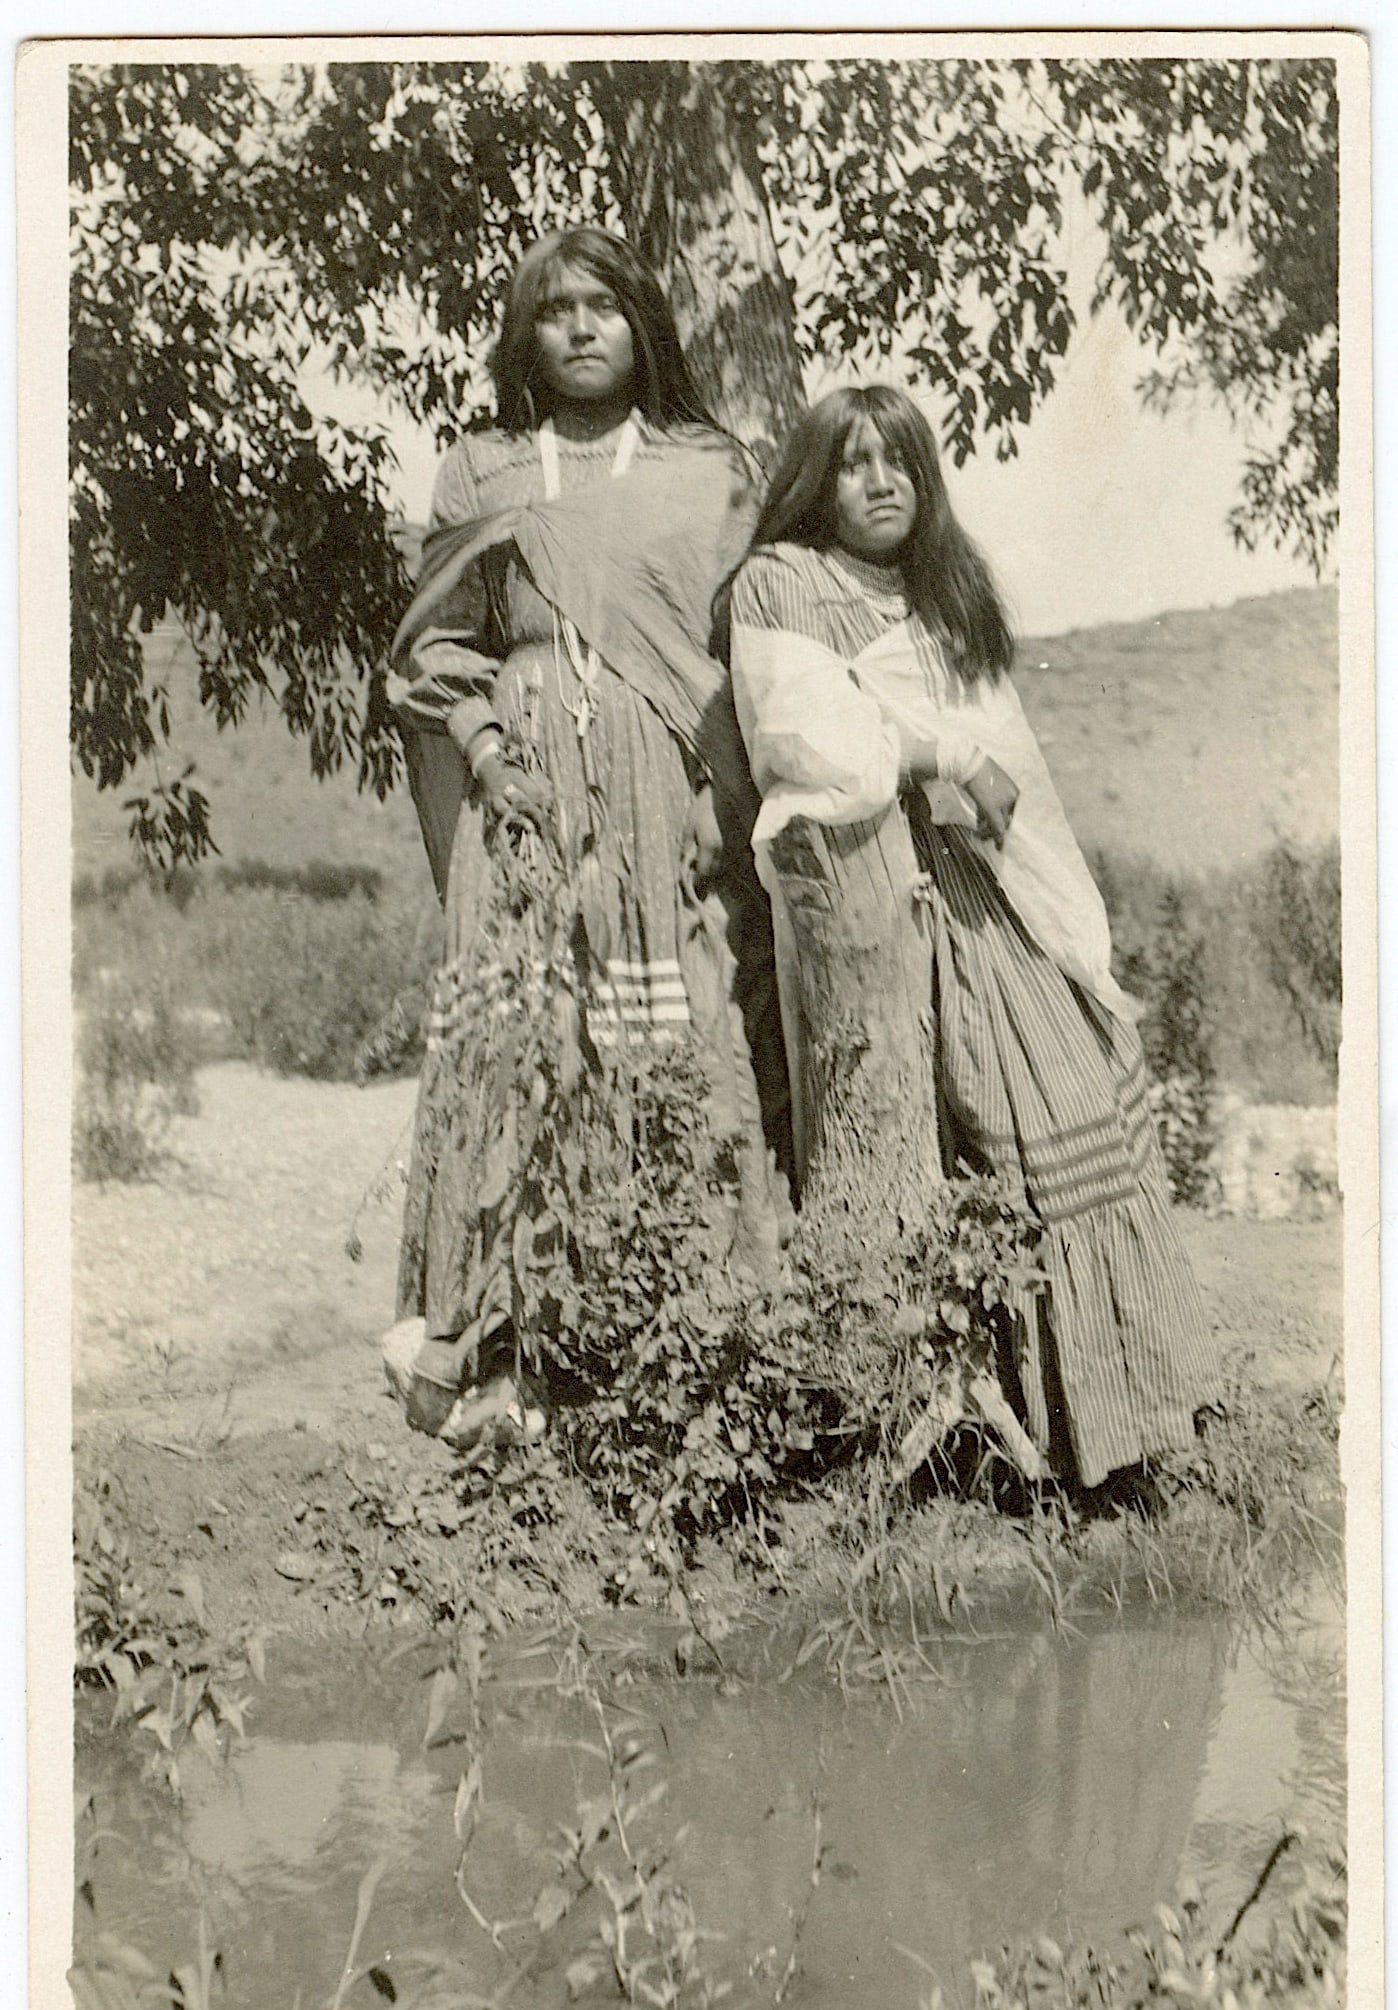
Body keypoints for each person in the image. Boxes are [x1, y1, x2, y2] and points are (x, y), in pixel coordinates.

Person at [727, 385, 1219, 1497]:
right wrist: (941, 754)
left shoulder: (946, 589)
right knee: (986, 1121)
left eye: (899, 459)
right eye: (851, 463)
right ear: (815, 482)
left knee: (1066, 1101)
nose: (880, 482)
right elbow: (807, 739)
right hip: (877, 890)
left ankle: (1122, 1420)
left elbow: (1012, 775)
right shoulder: (783, 586)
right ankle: (1005, 1432)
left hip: (972, 881)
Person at [384, 227, 789, 1440]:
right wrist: (491, 755)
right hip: (526, 795)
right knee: (522, 1044)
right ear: (526, 334)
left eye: (602, 305)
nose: (577, 327)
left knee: (658, 1036)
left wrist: (723, 800)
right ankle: (504, 1353)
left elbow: (748, 649)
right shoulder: (483, 471)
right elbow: (432, 648)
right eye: (552, 308)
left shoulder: (712, 467)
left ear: (643, 323)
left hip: (662, 789)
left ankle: (671, 1322)